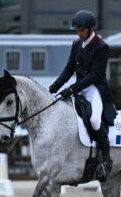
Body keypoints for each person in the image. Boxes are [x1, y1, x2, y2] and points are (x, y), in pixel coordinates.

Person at [49, 10, 117, 182]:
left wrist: (71, 89)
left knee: (94, 120)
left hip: (95, 89)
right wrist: (55, 86)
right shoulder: (76, 45)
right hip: (79, 88)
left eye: (81, 30)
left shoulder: (102, 47)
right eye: (77, 31)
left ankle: (106, 159)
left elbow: (95, 75)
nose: (78, 33)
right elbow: (69, 69)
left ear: (89, 29)